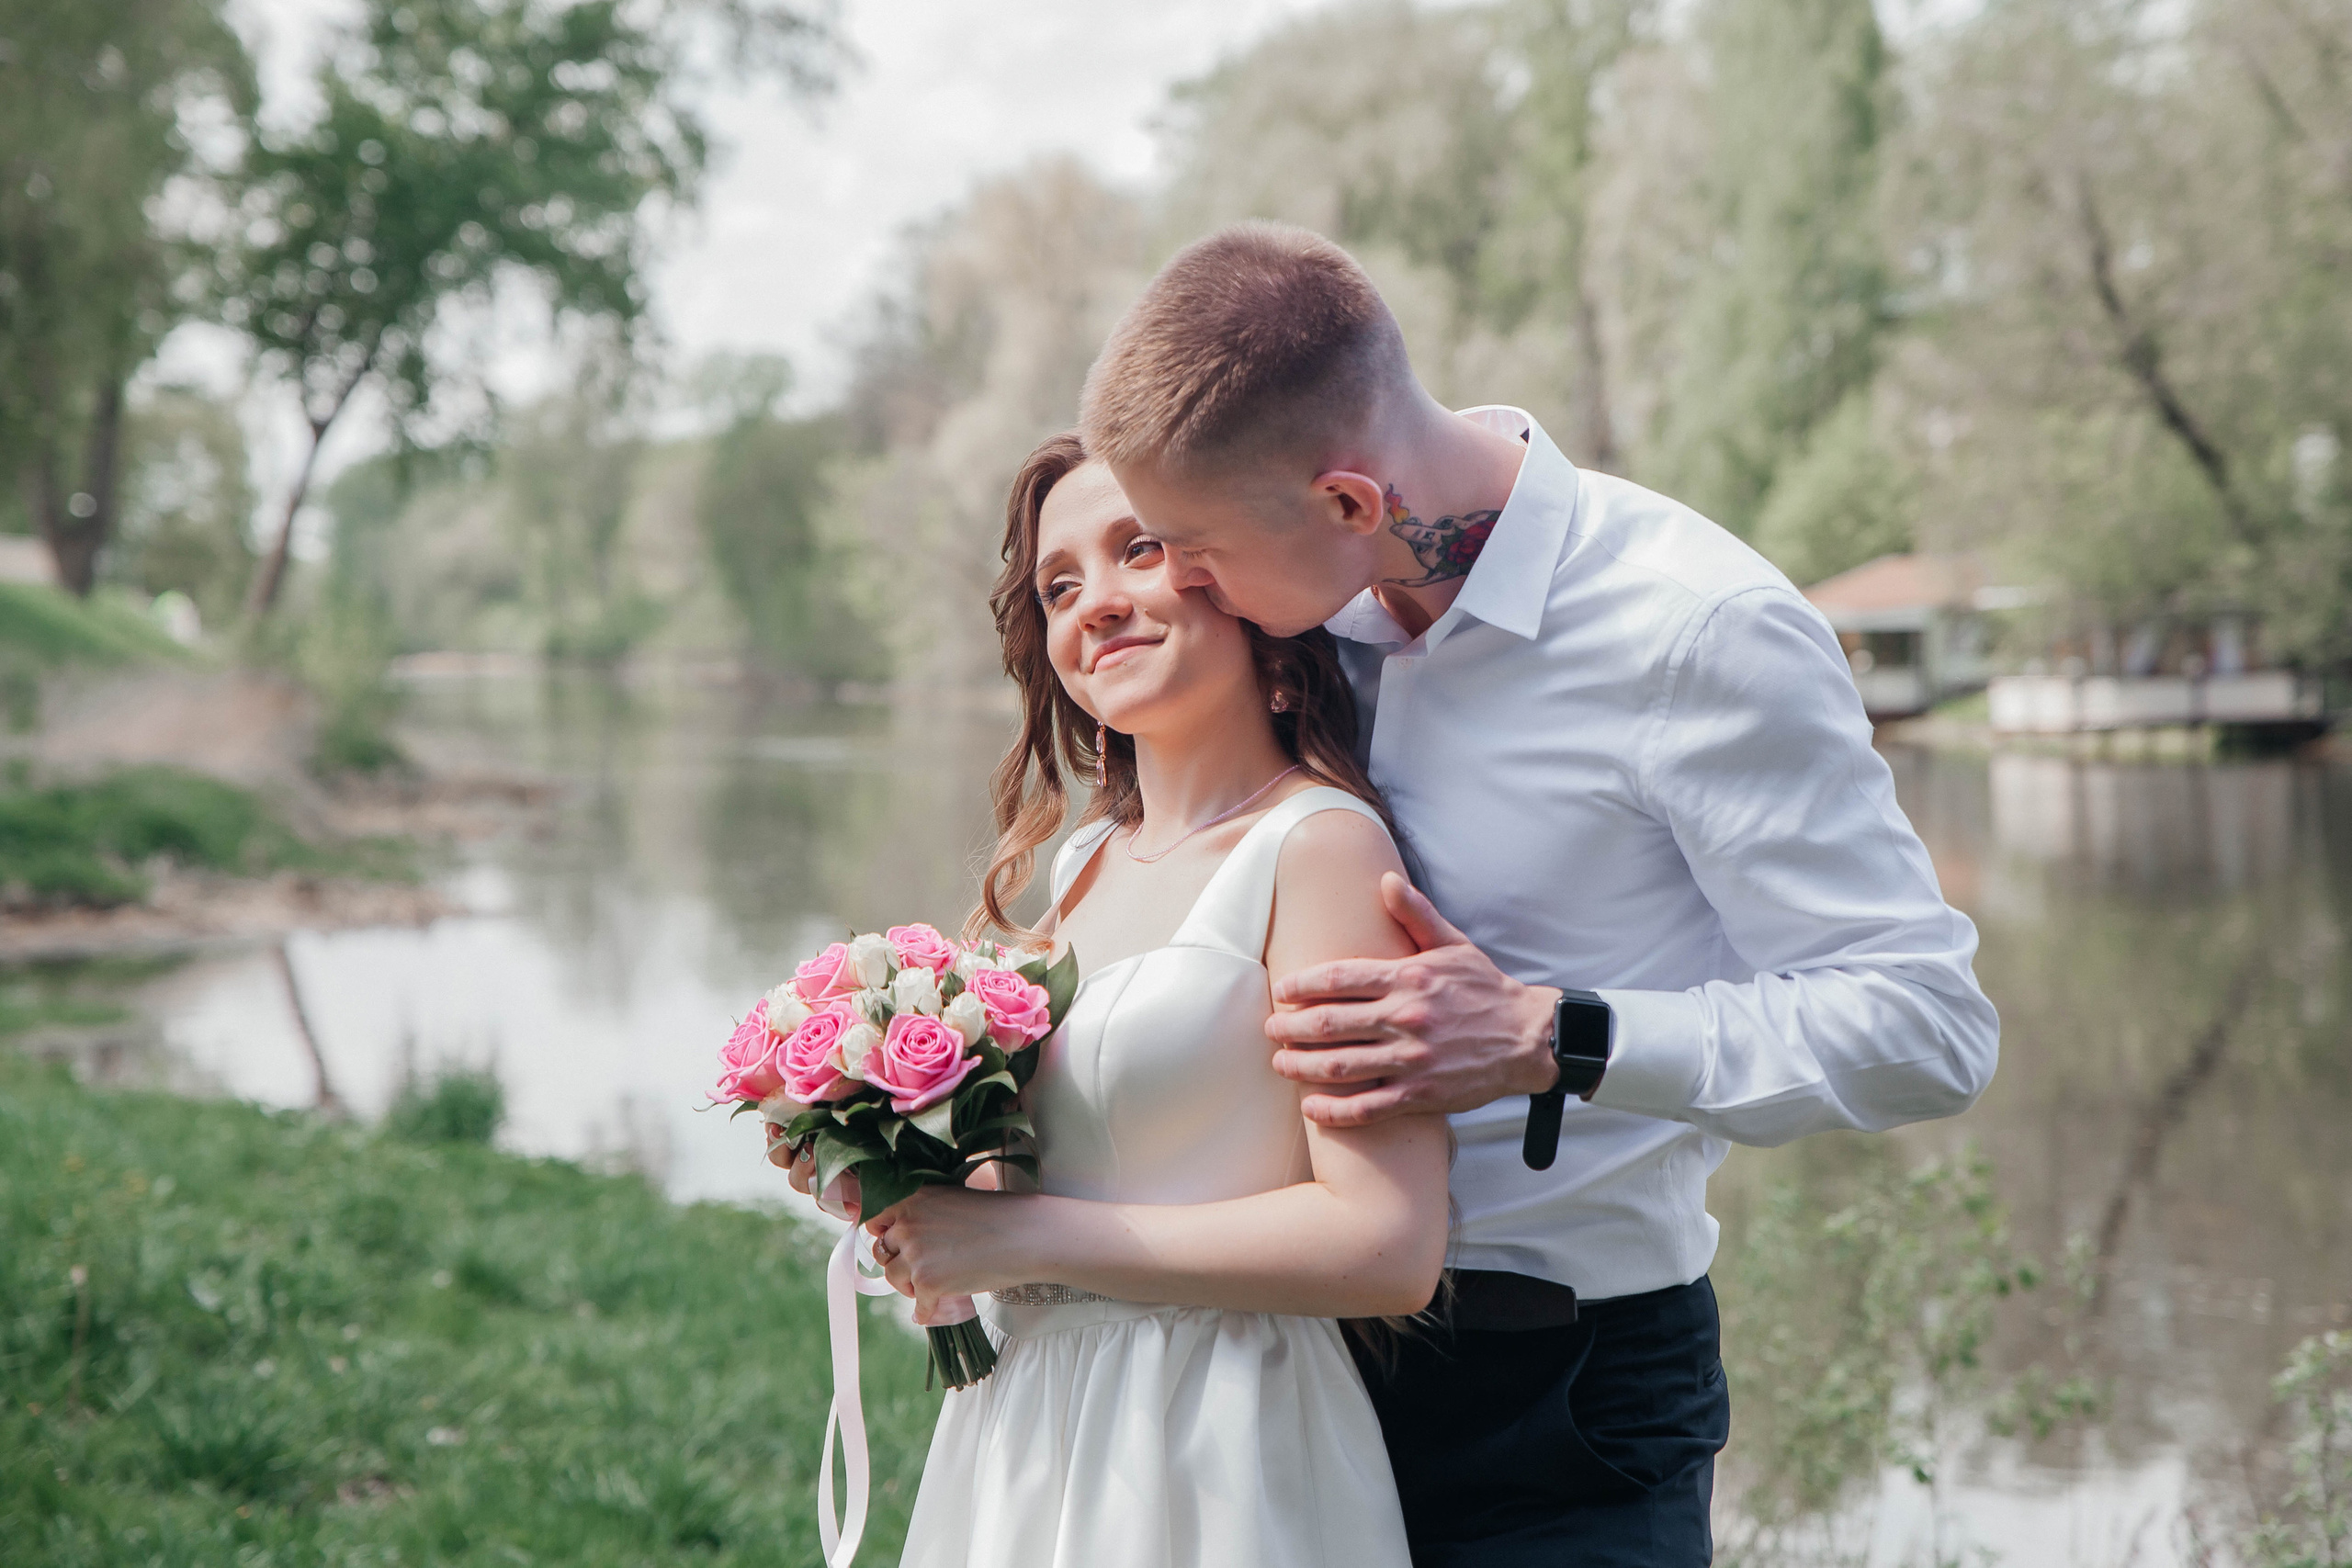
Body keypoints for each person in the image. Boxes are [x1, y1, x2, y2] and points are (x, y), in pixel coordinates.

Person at [1068, 222, 2003, 1566]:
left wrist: (1550, 1036)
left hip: (1555, 1399)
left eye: (1194, 547)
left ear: (1346, 501)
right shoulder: (1299, 626)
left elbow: (1927, 1026)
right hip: (1263, 1364)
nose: (1181, 583)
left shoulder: (1695, 630)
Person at [775, 431, 1451, 1568]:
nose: (1094, 602)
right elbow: (1094, 1151)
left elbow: (1386, 1244)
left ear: (1238, 586)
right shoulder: (1081, 861)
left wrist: (1023, 1235)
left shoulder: (1321, 848)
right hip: (1031, 1421)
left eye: (1136, 550)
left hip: (1217, 1435)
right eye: (1059, 583)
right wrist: (908, 1169)